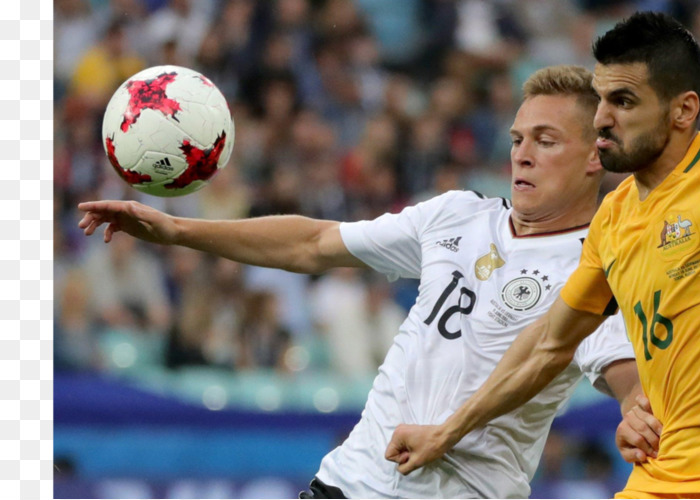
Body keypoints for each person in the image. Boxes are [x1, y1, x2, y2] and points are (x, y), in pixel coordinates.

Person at [78, 65, 659, 499]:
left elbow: (622, 370)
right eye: (516, 139)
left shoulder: (597, 267)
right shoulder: (458, 214)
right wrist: (177, 229)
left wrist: (635, 406)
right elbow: (313, 244)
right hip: (346, 484)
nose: (522, 156)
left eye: (546, 141)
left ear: (595, 156)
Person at [385, 11, 700, 499]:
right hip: (659, 474)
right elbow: (548, 345)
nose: (601, 118)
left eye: (623, 101)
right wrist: (447, 431)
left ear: (683, 110)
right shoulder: (614, 215)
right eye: (600, 100)